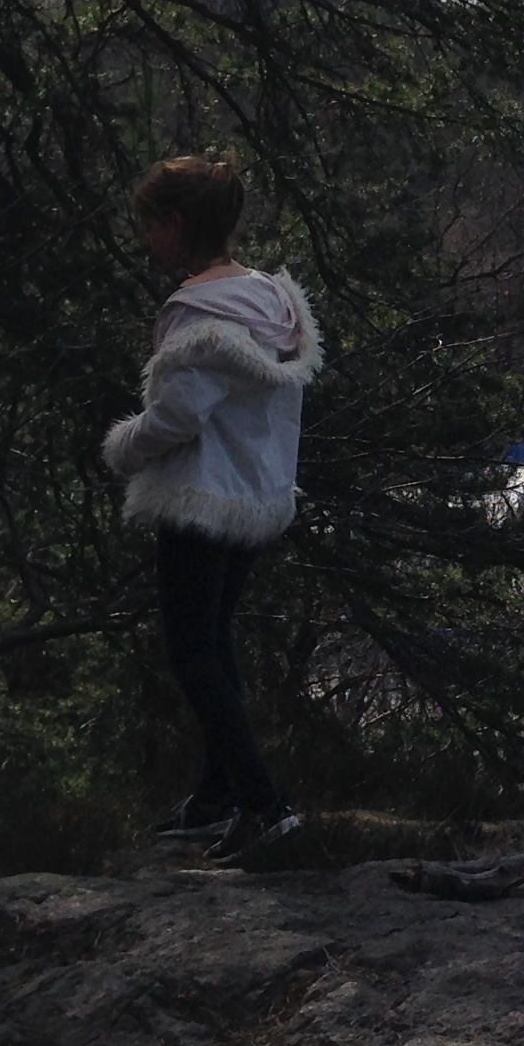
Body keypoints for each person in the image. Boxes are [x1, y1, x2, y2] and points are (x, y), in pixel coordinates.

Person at [102, 156, 321, 859]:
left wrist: (123, 447)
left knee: (193, 654)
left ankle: (268, 806)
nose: (145, 241)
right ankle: (217, 794)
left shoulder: (198, 315)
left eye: (150, 226)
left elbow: (177, 419)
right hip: (255, 498)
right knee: (216, 645)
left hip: (198, 500)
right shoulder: (270, 303)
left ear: (174, 225)